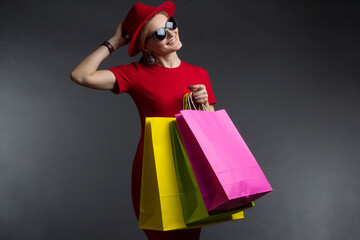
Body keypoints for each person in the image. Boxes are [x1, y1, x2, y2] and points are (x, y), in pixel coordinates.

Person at [70, 1, 216, 239]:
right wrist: (114, 42)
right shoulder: (136, 74)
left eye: (171, 24)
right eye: (159, 33)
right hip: (155, 169)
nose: (170, 33)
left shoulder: (199, 74)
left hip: (192, 168)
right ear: (145, 47)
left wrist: (204, 104)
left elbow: (212, 131)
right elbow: (80, 75)